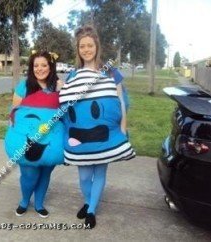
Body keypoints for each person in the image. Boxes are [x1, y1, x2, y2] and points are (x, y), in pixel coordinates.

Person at [59, 25, 136, 229]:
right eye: (82, 46)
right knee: (84, 175)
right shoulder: (74, 75)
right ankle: (87, 201)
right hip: (80, 139)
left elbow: (120, 102)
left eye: (89, 45)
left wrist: (123, 127)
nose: (86, 49)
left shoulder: (111, 72)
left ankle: (91, 209)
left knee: (100, 172)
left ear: (96, 46)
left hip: (106, 135)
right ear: (78, 49)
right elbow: (68, 106)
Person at [4, 50, 64, 218]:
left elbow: (66, 110)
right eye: (36, 65)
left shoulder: (58, 86)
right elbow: (14, 114)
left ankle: (39, 203)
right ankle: (24, 201)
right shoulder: (24, 87)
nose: (40, 69)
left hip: (51, 139)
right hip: (28, 140)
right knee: (29, 174)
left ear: (51, 67)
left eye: (44, 65)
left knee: (45, 173)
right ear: (31, 68)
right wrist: (13, 137)